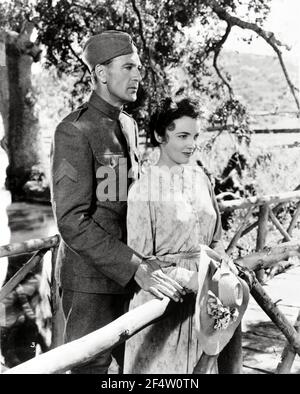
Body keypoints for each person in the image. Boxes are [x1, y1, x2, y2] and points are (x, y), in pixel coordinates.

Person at [50, 31, 184, 374]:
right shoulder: (73, 131)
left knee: (131, 366)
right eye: (128, 67)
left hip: (134, 277)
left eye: (138, 67)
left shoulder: (127, 124)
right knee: (90, 367)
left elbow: (129, 203)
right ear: (100, 74)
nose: (138, 75)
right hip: (91, 284)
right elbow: (71, 220)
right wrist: (134, 266)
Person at [124, 97, 246, 374]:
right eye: (182, 136)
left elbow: (215, 238)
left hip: (207, 306)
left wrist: (223, 266)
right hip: (163, 305)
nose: (191, 144)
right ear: (159, 135)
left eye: (194, 136)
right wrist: (189, 279)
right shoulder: (143, 190)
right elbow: (141, 261)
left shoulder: (201, 179)